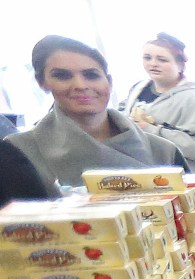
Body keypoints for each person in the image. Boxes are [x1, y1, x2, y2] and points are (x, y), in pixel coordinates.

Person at [8, 35, 185, 195]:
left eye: (91, 75)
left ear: (109, 82)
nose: (80, 85)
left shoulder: (164, 152)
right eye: (63, 76)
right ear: (42, 83)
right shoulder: (19, 153)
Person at [117, 33, 195, 172]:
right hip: (148, 175)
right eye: (147, 58)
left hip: (185, 179)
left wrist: (149, 130)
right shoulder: (138, 88)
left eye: (162, 60)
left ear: (180, 65)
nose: (153, 64)